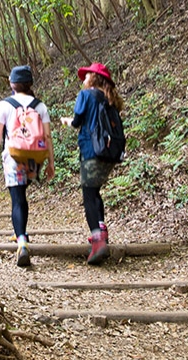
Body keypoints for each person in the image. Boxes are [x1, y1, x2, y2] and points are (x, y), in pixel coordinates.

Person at [0, 65, 55, 267]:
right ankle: (21, 232)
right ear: (30, 84)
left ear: (12, 83)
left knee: (17, 199)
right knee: (22, 197)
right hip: (34, 157)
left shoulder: (4, 105)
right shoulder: (39, 106)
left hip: (14, 156)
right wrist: (51, 162)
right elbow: (48, 136)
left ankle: (22, 241)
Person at [61, 62, 124, 265]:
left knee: (89, 194)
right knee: (95, 191)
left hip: (91, 150)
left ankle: (98, 240)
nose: (84, 78)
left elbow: (78, 121)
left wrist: (67, 121)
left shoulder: (86, 95)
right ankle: (101, 231)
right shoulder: (110, 98)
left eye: (87, 75)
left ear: (93, 78)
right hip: (110, 153)